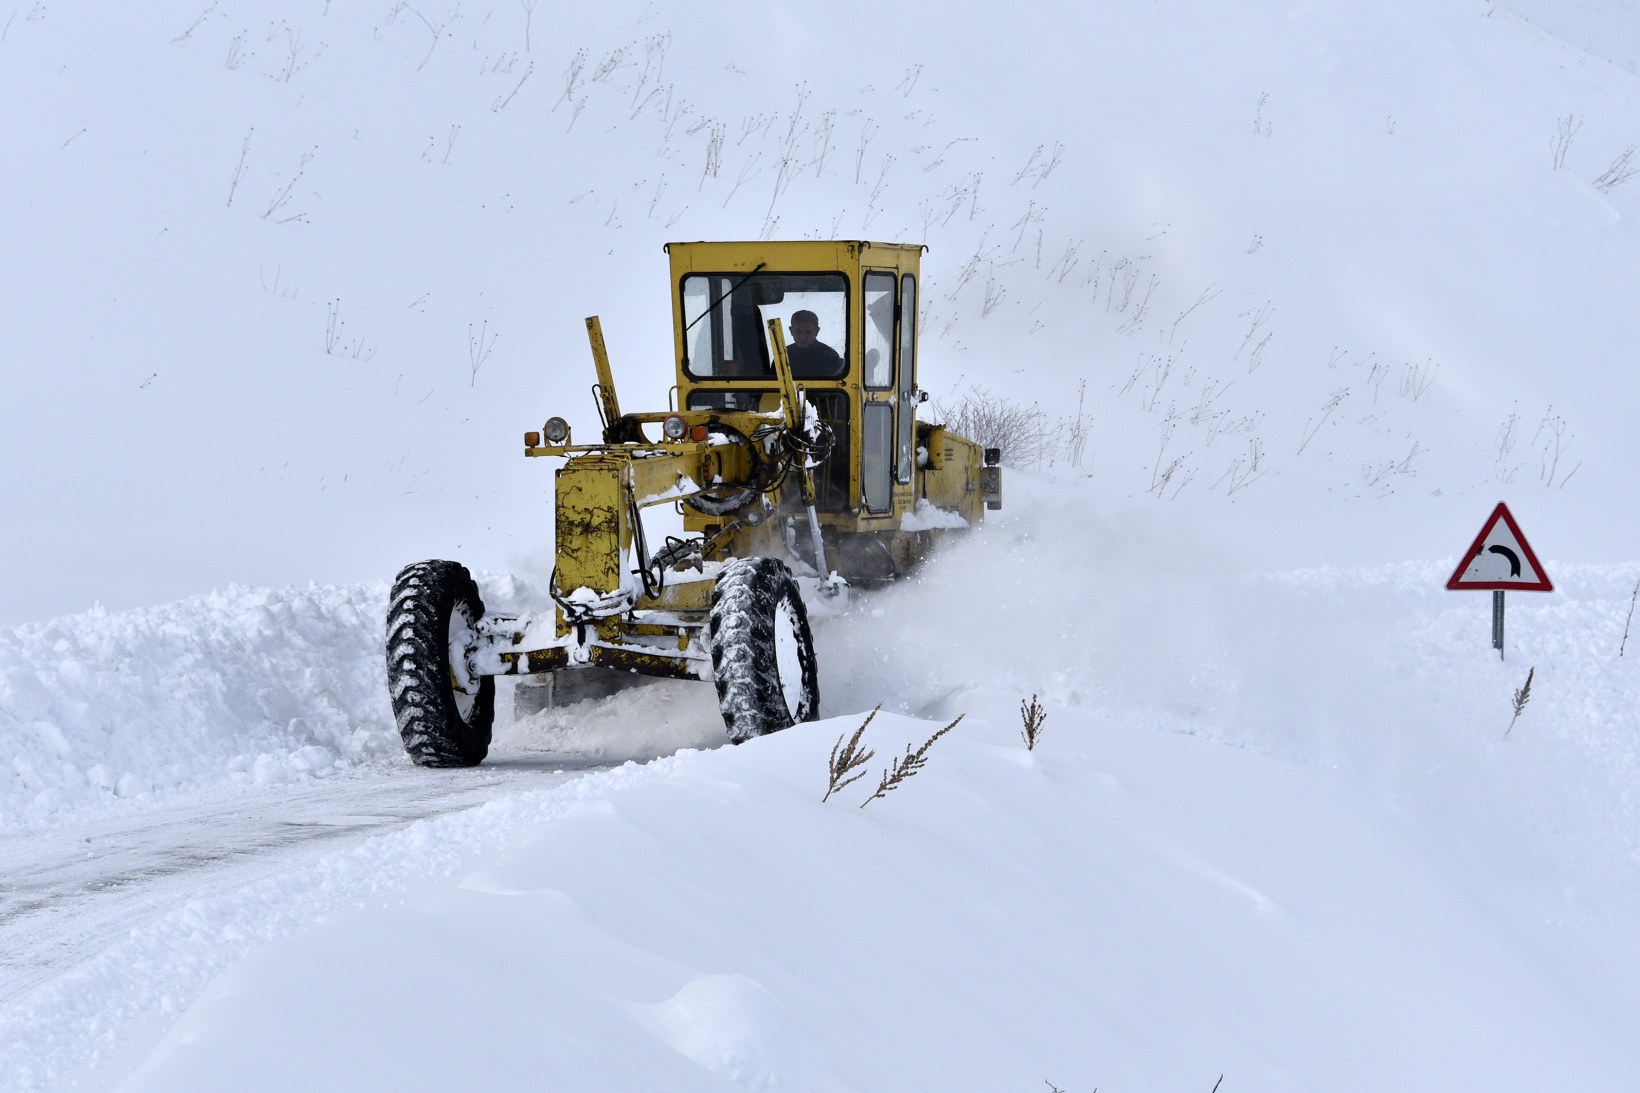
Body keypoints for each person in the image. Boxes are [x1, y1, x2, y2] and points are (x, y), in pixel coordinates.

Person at [785, 310, 843, 377]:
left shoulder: (830, 357)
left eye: (808, 332)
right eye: (798, 331)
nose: (802, 337)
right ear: (791, 331)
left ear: (816, 331)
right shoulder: (782, 356)